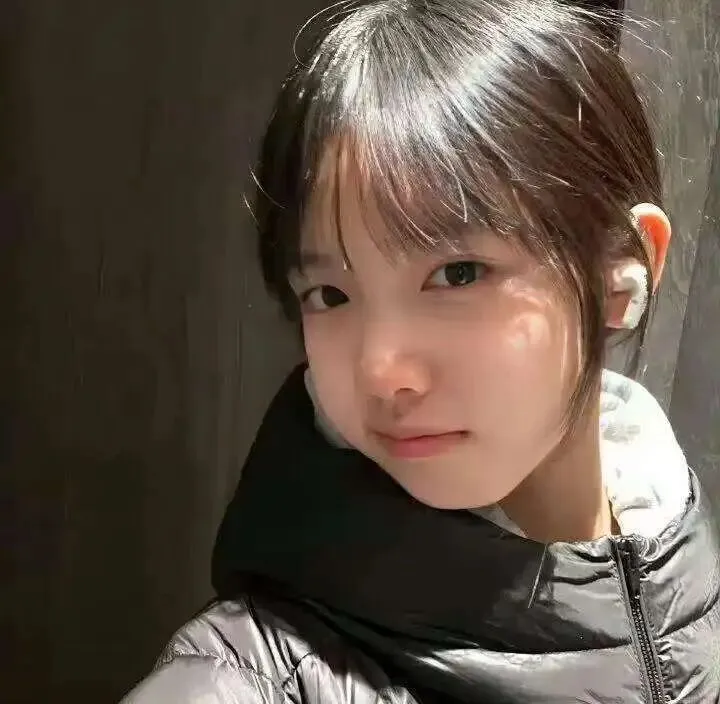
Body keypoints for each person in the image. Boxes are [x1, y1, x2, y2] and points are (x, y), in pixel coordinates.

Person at [122, 1, 720, 702]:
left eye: (458, 274)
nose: (382, 372)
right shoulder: (248, 676)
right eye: (329, 294)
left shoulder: (683, 572)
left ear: (622, 271)